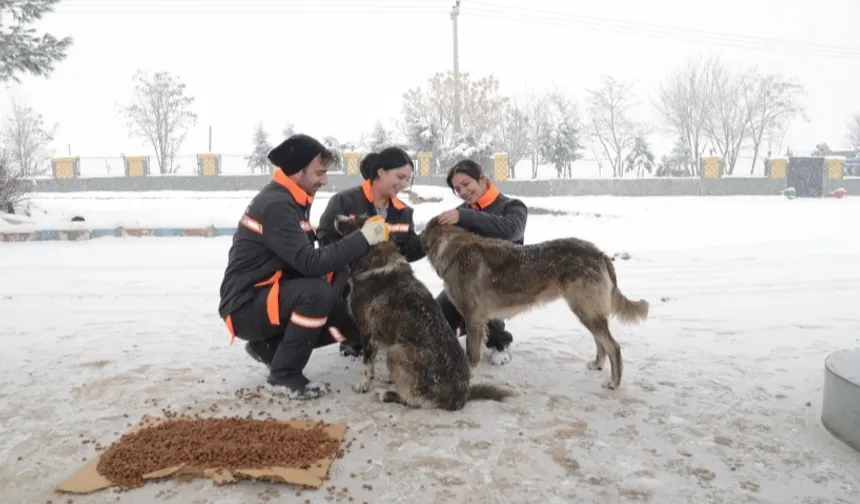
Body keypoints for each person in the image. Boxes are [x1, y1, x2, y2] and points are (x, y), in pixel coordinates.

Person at [218, 133, 390, 400]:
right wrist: (364, 237)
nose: (324, 180)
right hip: (245, 305)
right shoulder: (277, 205)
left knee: (350, 316)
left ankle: (270, 348)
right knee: (317, 293)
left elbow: (305, 258)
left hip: (267, 298)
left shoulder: (292, 200)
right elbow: (310, 263)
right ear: (297, 172)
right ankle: (284, 375)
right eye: (319, 173)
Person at [316, 146, 424, 357]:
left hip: (387, 282)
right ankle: (353, 338)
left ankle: (391, 339)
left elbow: (406, 252)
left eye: (407, 179)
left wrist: (429, 239)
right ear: (381, 172)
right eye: (399, 176)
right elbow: (326, 239)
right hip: (348, 278)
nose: (403, 184)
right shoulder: (345, 201)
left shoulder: (403, 212)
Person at [434, 159, 528, 365]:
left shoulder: (512, 206)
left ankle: (499, 342)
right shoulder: (462, 212)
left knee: (481, 297)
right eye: (457, 189)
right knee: (436, 313)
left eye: (466, 184)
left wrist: (465, 216)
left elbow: (510, 230)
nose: (463, 191)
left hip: (504, 279)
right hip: (465, 281)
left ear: (482, 179)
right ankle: (453, 337)